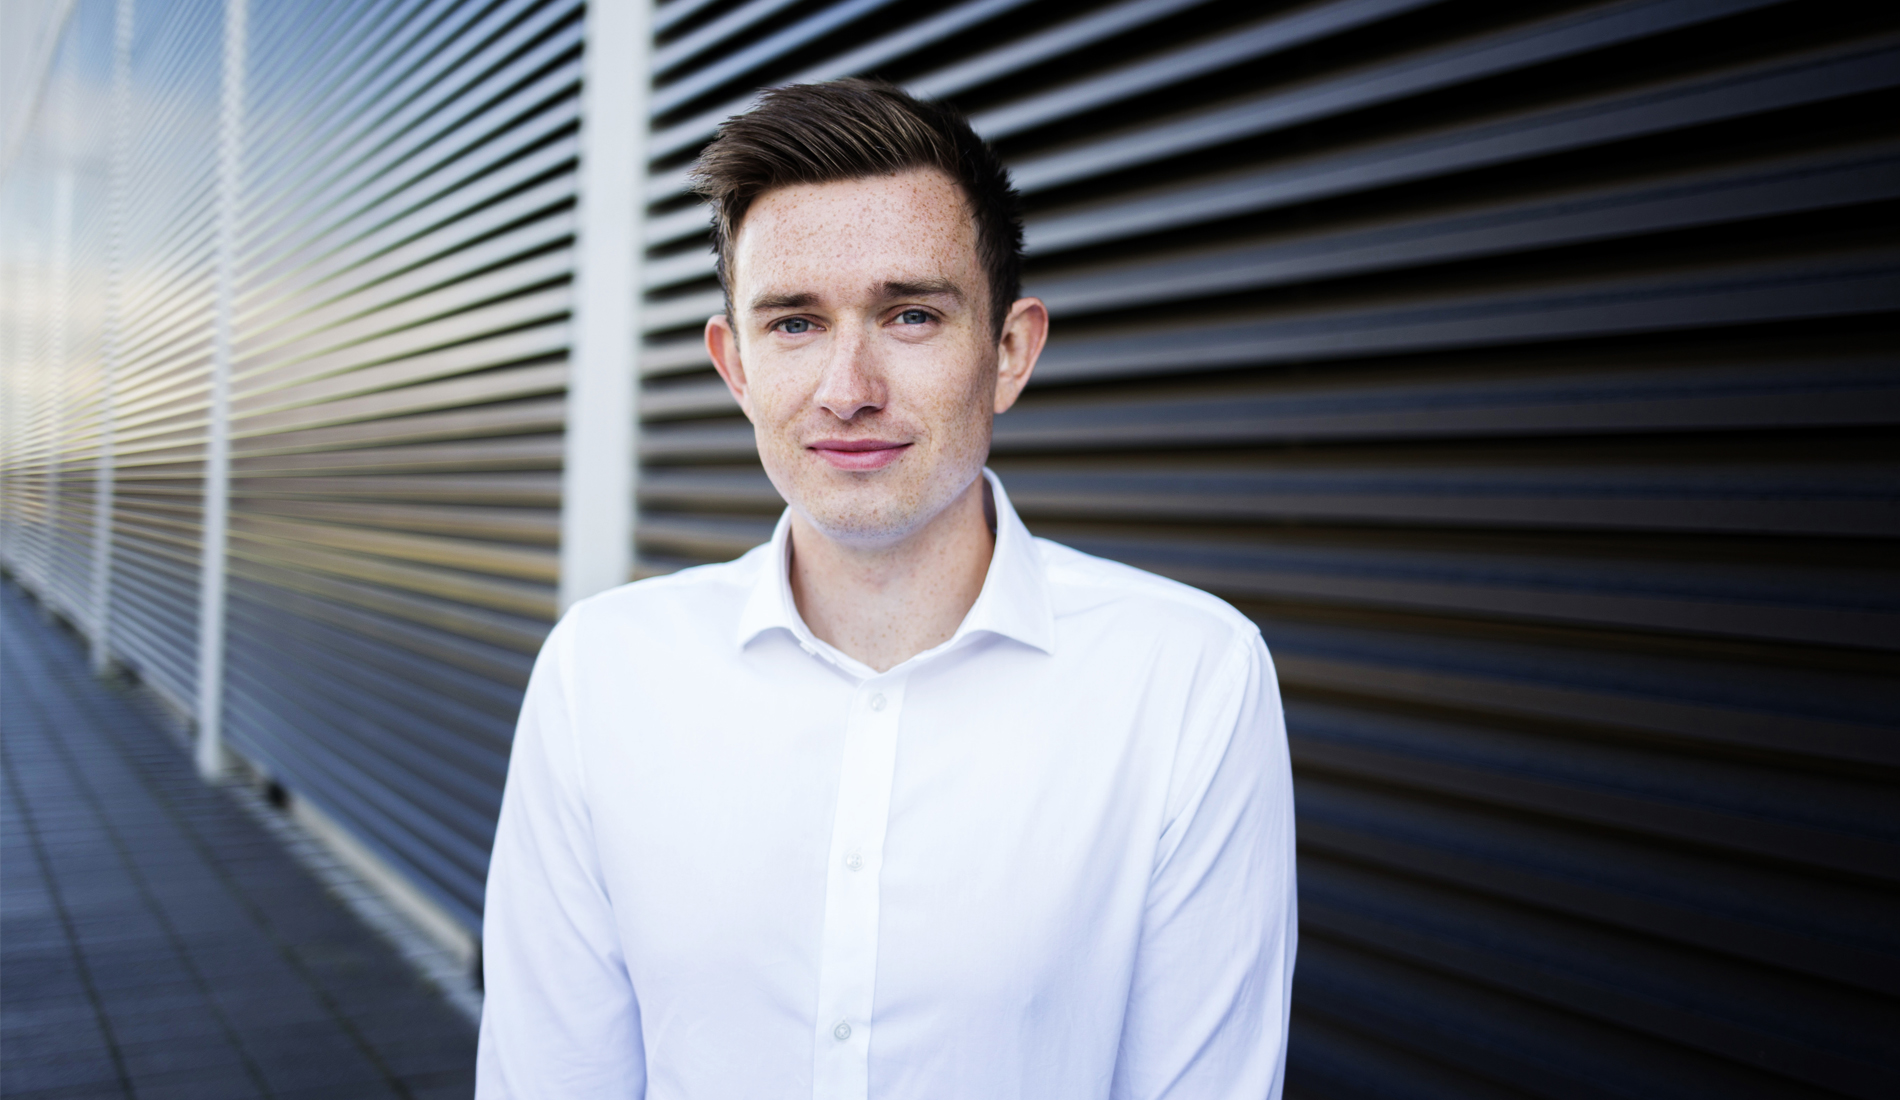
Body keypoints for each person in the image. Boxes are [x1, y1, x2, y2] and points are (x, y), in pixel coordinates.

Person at [476, 78, 1296, 1100]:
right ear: (734, 366)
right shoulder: (601, 671)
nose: (847, 390)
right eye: (794, 324)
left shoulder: (1188, 675)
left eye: (910, 315)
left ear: (1009, 351)